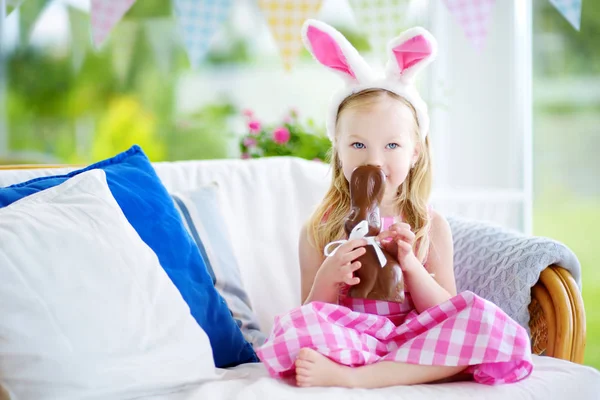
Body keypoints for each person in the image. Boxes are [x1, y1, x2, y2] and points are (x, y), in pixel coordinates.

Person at [256, 19, 533, 389]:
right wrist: (330, 274)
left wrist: (411, 265)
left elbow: (444, 310)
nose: (374, 159)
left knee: (486, 324)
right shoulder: (320, 227)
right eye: (357, 145)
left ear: (415, 151)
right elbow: (310, 310)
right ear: (337, 151)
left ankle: (359, 379)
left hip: (412, 339)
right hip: (352, 337)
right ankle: (362, 370)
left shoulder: (428, 226)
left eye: (391, 145)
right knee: (296, 328)